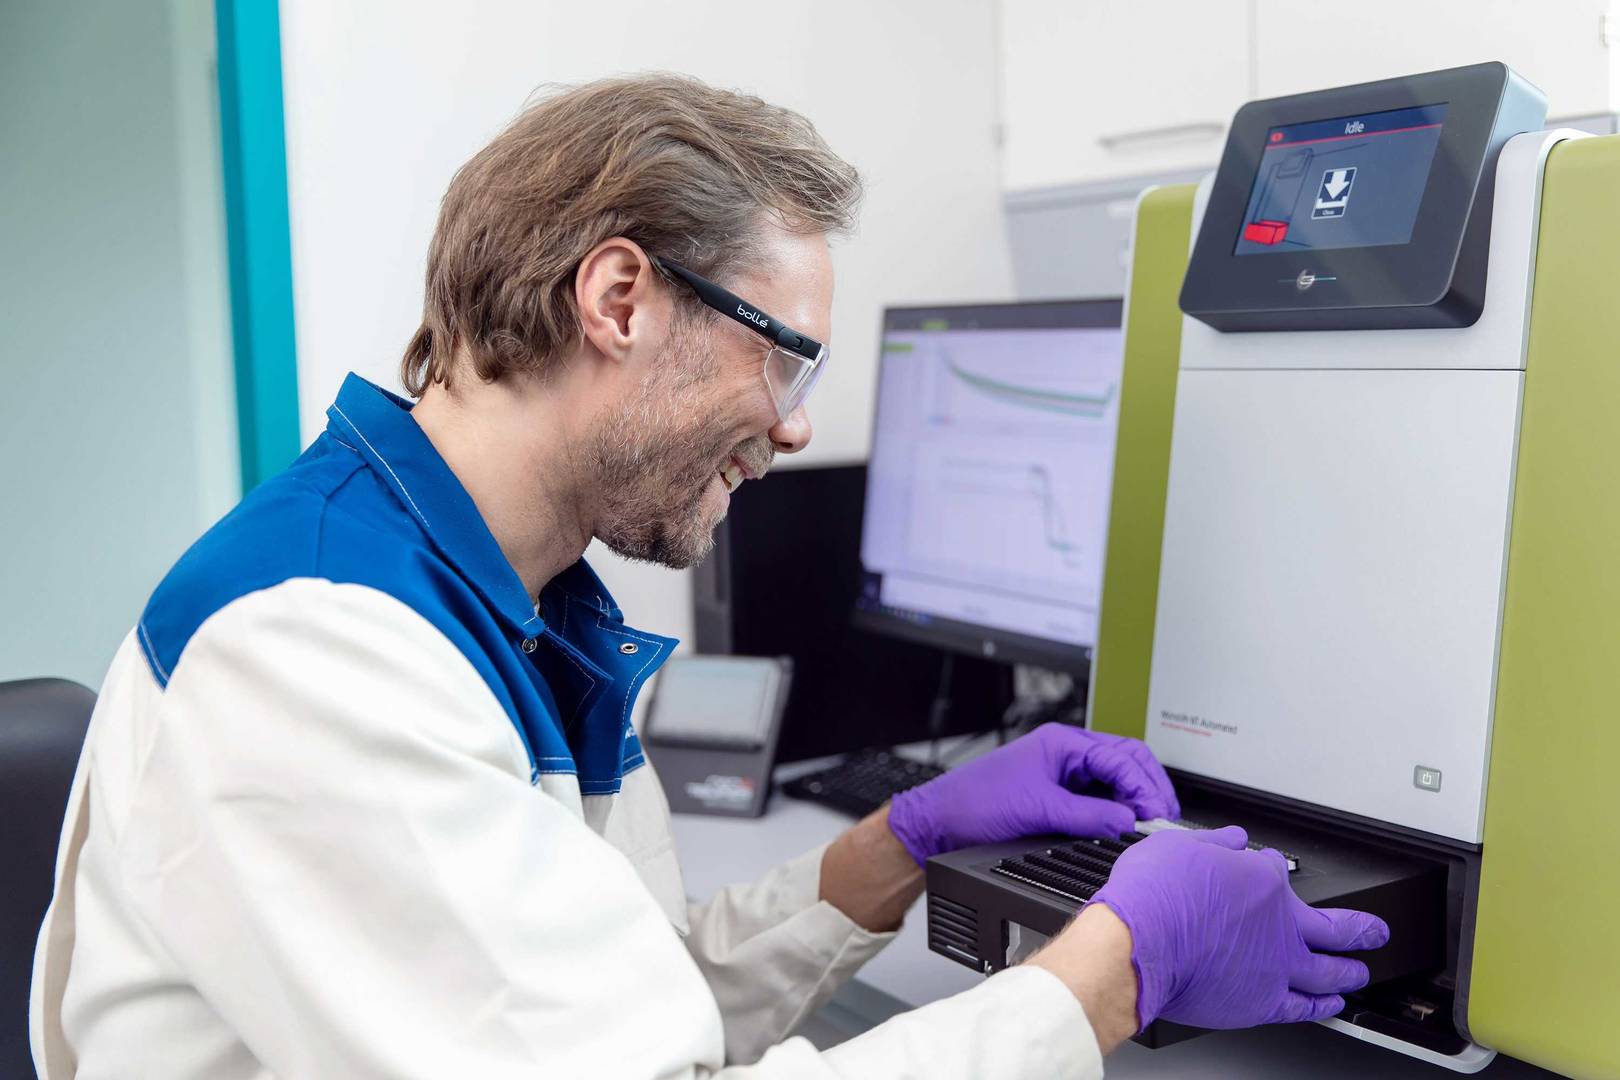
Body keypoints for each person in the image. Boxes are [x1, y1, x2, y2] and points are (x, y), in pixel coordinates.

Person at [30, 74, 1387, 1079]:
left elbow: (629, 1008)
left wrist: (896, 848)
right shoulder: (321, 650)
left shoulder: (521, 600)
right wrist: (1119, 964)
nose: (796, 425)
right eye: (783, 355)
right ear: (618, 300)